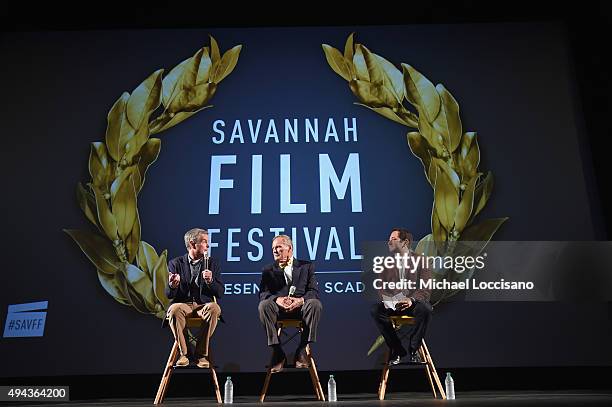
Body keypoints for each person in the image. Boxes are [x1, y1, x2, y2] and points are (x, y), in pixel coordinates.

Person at [258, 235, 322, 373]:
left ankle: (302, 349)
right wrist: (277, 300)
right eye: (273, 248)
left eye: (279, 247)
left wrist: (300, 300)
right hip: (279, 310)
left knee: (315, 304)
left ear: (290, 248)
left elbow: (313, 291)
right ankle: (277, 351)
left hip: (301, 308)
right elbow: (262, 294)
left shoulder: (306, 266)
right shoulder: (267, 270)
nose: (275, 250)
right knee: (264, 305)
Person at [370, 228, 432, 365]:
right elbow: (380, 288)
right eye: (389, 239)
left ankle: (414, 349)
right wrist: (389, 300)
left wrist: (411, 300)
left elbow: (426, 288)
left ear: (405, 242)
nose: (389, 242)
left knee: (426, 309)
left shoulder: (421, 260)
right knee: (375, 310)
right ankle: (397, 350)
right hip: (394, 305)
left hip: (413, 305)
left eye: (393, 239)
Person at [166, 228, 223, 368]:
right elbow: (169, 295)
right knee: (174, 310)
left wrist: (210, 281)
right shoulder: (176, 263)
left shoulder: (212, 263)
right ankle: (184, 353)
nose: (208, 246)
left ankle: (200, 354)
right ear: (192, 244)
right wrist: (173, 285)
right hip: (183, 304)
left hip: (202, 306)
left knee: (214, 308)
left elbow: (220, 292)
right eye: (204, 242)